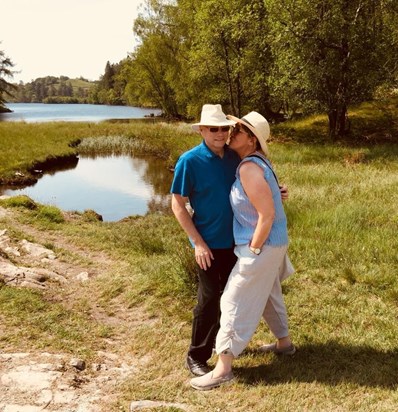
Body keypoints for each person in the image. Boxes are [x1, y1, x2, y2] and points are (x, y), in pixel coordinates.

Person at [190, 111, 295, 391]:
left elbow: (267, 214)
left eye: (238, 130)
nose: (230, 132)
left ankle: (223, 368)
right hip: (272, 244)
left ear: (251, 140)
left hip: (262, 244)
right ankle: (284, 344)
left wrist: (253, 249)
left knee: (233, 301)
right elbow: (269, 196)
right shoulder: (254, 161)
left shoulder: (249, 167)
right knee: (270, 293)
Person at [170, 104, 240, 376]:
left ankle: (224, 345)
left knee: (232, 298)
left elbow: (253, 181)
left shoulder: (234, 157)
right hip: (208, 245)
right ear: (201, 130)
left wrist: (275, 189)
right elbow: (177, 203)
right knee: (209, 298)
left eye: (224, 128)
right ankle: (196, 355)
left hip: (238, 242)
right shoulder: (190, 160)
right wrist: (197, 242)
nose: (220, 133)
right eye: (214, 128)